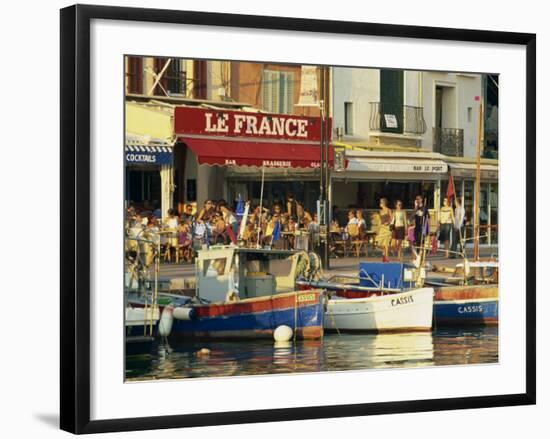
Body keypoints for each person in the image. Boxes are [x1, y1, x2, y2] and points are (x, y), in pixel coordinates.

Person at [378, 198, 393, 262]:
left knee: (386, 243)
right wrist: (378, 229)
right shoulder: (380, 211)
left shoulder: (388, 210)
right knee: (380, 244)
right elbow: (379, 220)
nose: (380, 203)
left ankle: (386, 257)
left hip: (387, 228)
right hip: (382, 227)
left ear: (384, 203)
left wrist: (388, 222)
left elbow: (392, 218)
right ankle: (384, 253)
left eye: (381, 202)